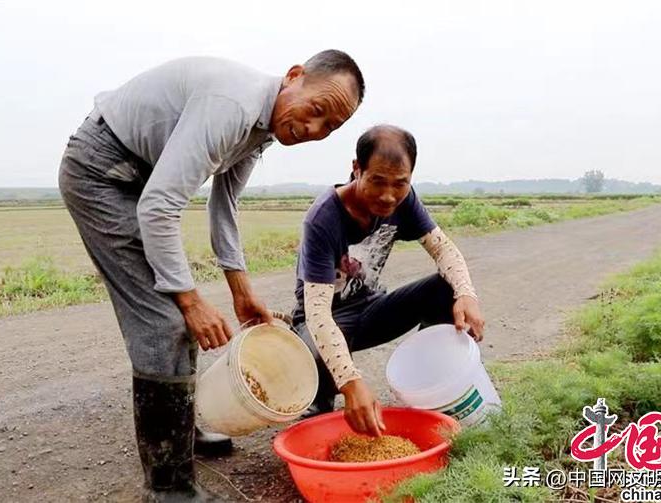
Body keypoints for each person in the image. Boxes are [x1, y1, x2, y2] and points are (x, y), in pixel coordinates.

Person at [58, 50, 364, 502]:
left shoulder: (263, 127)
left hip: (140, 179)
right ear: (294, 76)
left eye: (330, 127)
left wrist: (241, 292)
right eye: (316, 109)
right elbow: (159, 207)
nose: (313, 129)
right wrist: (190, 300)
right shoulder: (233, 106)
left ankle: (179, 431)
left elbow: (224, 205)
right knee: (164, 321)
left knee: (177, 317)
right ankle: (168, 488)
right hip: (101, 173)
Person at [291, 124, 485, 437]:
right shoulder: (323, 219)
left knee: (445, 289)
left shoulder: (404, 200)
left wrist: (466, 293)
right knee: (318, 360)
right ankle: (320, 403)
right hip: (322, 321)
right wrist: (350, 381)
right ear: (357, 169)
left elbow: (442, 249)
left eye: (400, 183)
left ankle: (429, 388)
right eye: (377, 181)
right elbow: (317, 315)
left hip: (370, 311)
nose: (388, 195)